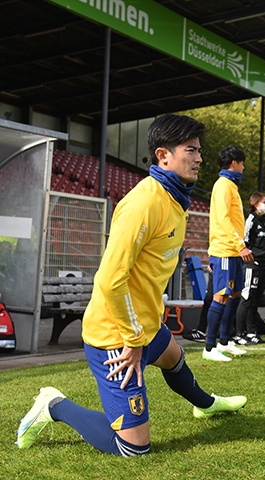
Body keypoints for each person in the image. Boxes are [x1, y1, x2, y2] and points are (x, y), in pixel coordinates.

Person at [16, 114, 247, 456]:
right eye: (190, 150)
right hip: (117, 336)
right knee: (133, 449)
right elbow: (110, 280)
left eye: (199, 150)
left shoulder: (175, 197)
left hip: (145, 325)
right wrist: (134, 340)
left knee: (174, 357)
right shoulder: (144, 203)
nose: (199, 158)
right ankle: (54, 404)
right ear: (163, 156)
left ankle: (205, 404)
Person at [202, 145, 253, 362]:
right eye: (242, 163)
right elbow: (222, 220)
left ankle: (224, 341)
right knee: (221, 296)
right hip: (225, 249)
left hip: (231, 250)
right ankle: (209, 346)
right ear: (235, 163)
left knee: (234, 294)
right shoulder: (223, 185)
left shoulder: (231, 186)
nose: (243, 167)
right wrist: (239, 244)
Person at [234, 192, 265, 345]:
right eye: (263, 202)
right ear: (255, 203)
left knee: (255, 300)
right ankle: (238, 333)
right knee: (247, 298)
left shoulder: (264, 222)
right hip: (252, 265)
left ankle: (251, 332)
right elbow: (245, 241)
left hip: (263, 265)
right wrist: (249, 257)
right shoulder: (251, 220)